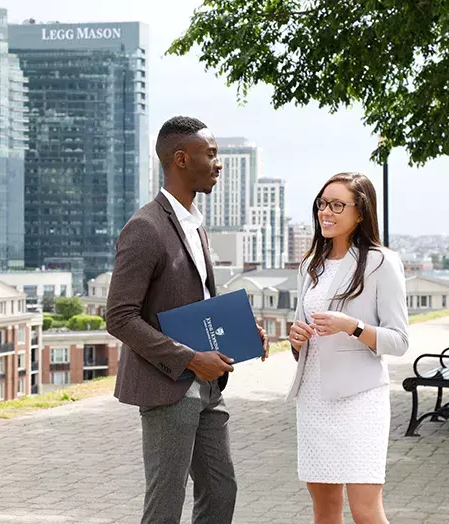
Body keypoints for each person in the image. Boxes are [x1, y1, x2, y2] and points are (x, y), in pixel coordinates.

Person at [106, 116, 268, 524]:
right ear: (181, 159)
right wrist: (189, 359)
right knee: (165, 503)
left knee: (220, 490)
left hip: (209, 387)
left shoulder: (195, 226)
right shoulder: (144, 228)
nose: (219, 163)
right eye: (211, 154)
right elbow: (119, 316)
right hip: (167, 387)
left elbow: (199, 303)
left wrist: (244, 335)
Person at [286, 172, 408, 524]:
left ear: (360, 213)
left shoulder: (381, 262)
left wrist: (351, 326)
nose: (326, 212)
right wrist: (296, 340)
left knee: (365, 510)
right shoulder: (310, 264)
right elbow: (301, 331)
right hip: (313, 397)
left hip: (360, 398)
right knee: (324, 509)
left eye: (337, 205)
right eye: (323, 204)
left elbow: (399, 340)